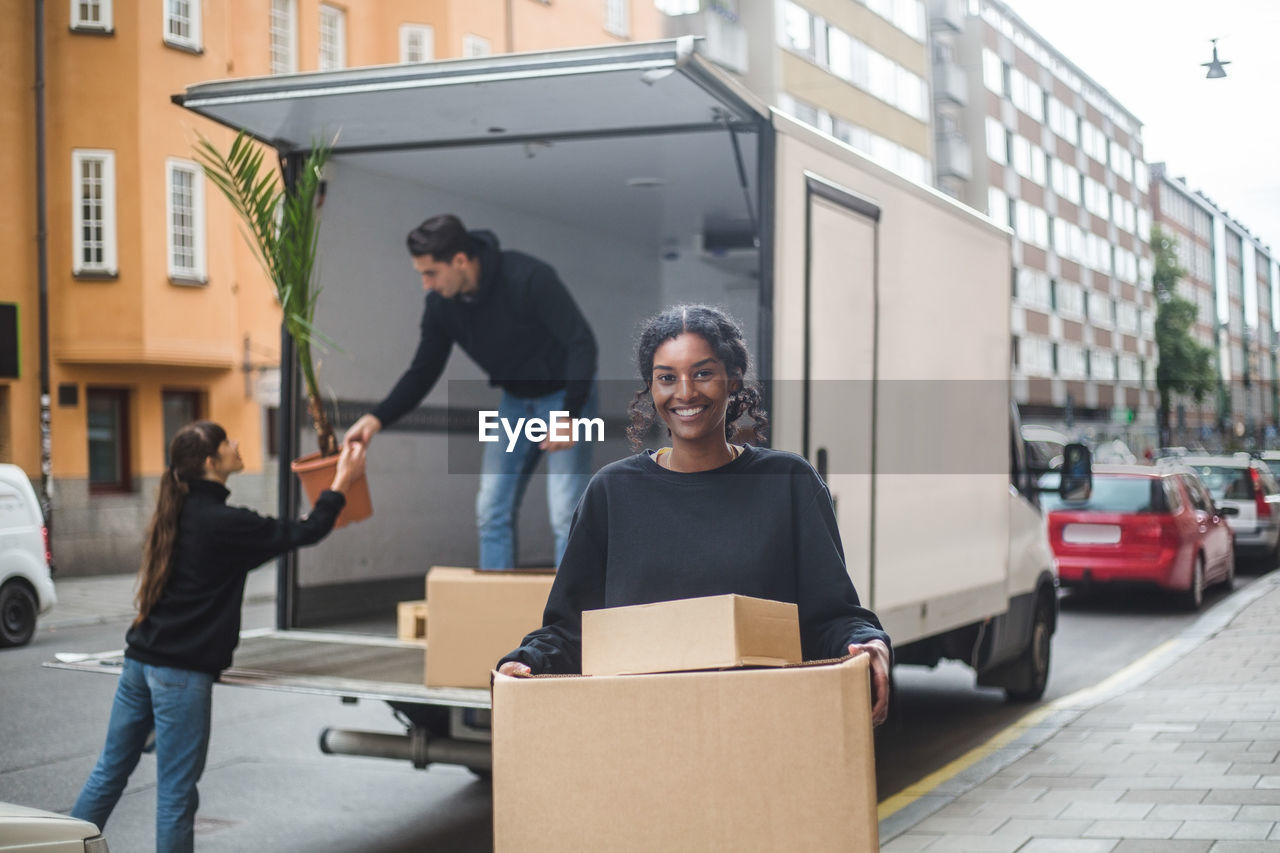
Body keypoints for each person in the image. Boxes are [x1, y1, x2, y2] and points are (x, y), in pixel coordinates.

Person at [498, 305, 892, 725]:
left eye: (702, 373)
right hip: (641, 730)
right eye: (667, 377)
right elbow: (570, 630)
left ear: (734, 377)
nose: (684, 392)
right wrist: (524, 663)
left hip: (764, 727)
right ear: (651, 387)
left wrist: (868, 645)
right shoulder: (612, 493)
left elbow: (831, 616)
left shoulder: (788, 483)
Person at [71, 421, 366, 852]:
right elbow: (305, 531)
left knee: (109, 771)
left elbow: (273, 540)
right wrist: (341, 481)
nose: (237, 445)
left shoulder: (176, 512)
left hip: (138, 663)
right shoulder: (226, 523)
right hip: (179, 674)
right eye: (228, 442)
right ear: (212, 463)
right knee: (176, 793)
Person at [344, 213, 598, 570]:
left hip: (565, 397)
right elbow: (423, 370)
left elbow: (581, 344)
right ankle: (492, 612)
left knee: (563, 513)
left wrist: (569, 414)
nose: (426, 285)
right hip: (515, 402)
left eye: (430, 273)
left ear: (460, 261)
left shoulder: (528, 278)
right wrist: (376, 419)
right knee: (491, 508)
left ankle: (568, 618)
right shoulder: (441, 306)